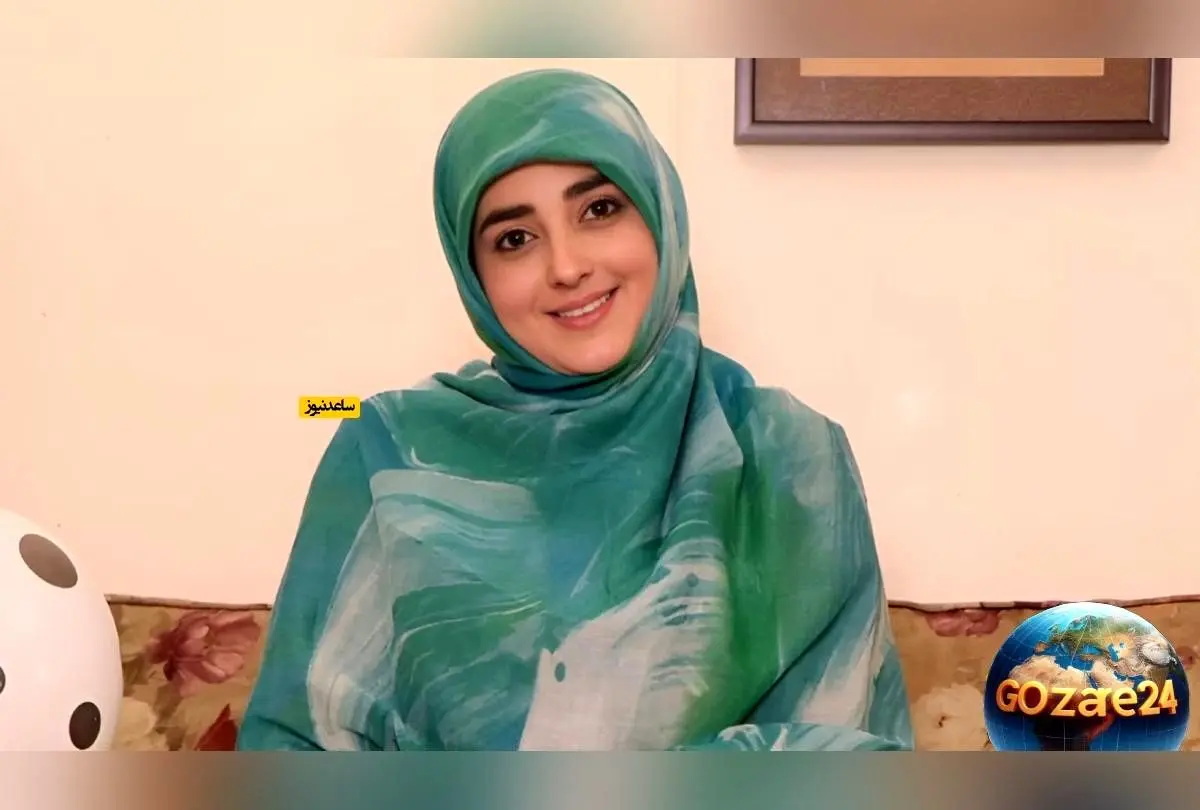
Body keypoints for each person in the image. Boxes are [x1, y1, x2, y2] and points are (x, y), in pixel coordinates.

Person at [237, 68, 913, 751]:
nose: (566, 267)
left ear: (660, 215)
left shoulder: (793, 458)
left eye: (598, 209)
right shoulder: (386, 452)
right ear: (474, 277)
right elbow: (292, 749)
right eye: (514, 239)